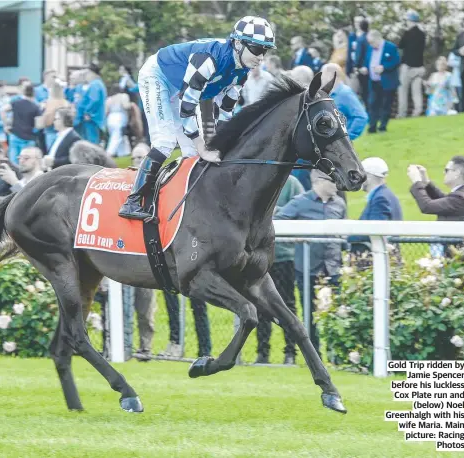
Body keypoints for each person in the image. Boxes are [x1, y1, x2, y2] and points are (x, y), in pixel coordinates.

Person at [119, 15, 276, 220]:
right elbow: (188, 107)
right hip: (157, 77)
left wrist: (219, 145)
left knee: (192, 152)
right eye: (257, 49)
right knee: (165, 141)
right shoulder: (208, 60)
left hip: (181, 87)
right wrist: (204, 146)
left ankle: (185, 201)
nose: (261, 57)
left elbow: (225, 114)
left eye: (265, 50)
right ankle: (132, 201)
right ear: (238, 44)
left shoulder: (242, 72)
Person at [275, 169, 347, 357]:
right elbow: (278, 222)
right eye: (334, 181)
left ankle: (337, 355)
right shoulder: (300, 203)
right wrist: (296, 240)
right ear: (319, 181)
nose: (337, 186)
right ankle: (314, 356)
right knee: (310, 314)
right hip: (307, 268)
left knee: (337, 311)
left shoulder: (339, 204)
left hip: (333, 268)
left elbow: (344, 232)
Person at [255, 175, 305, 365]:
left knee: (287, 305)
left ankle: (290, 352)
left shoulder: (291, 183)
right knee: (260, 305)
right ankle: (262, 353)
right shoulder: (258, 180)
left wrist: (277, 211)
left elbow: (302, 208)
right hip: (260, 257)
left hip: (284, 256)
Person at [348, 157, 403, 255]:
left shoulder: (380, 198)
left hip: (376, 261)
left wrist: (347, 234)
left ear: (368, 176)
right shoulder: (385, 195)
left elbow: (374, 231)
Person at [408, 156, 464, 222]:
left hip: (449, 235)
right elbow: (444, 200)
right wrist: (426, 182)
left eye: (446, 170)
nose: (443, 173)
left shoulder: (461, 198)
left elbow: (427, 206)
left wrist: (417, 182)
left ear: (457, 173)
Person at [362, 30, 400, 133]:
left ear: (378, 38)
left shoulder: (391, 47)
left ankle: (383, 126)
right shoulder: (370, 48)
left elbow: (396, 61)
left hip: (387, 81)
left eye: (372, 42)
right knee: (372, 103)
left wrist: (384, 67)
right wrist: (365, 68)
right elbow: (367, 61)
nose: (371, 44)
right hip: (373, 81)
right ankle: (372, 126)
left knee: (386, 104)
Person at [320, 63, 368, 141]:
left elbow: (361, 117)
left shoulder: (344, 93)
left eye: (322, 75)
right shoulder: (329, 93)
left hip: (340, 145)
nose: (321, 78)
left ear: (330, 76)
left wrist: (347, 137)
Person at [0, 84, 41, 164]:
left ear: (24, 92)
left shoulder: (16, 103)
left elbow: (2, 110)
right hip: (29, 138)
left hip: (15, 135)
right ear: (34, 93)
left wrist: (6, 125)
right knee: (27, 163)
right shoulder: (35, 107)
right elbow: (38, 125)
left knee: (13, 162)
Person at [397, 10, 426, 118]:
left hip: (408, 67)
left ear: (410, 20)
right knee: (416, 92)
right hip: (419, 67)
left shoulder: (408, 33)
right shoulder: (422, 34)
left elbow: (400, 46)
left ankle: (402, 113)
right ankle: (417, 112)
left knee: (402, 91)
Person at [75, 63, 107, 144]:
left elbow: (94, 100)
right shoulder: (98, 83)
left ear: (91, 73)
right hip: (93, 117)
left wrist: (87, 112)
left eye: (86, 74)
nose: (85, 76)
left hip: (91, 119)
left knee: (91, 142)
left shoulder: (95, 84)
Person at [38, 80, 69, 151]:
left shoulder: (47, 103)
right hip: (63, 130)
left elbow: (43, 117)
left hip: (50, 130)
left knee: (51, 151)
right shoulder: (66, 103)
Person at [105, 84, 132, 157]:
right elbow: (126, 106)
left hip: (110, 118)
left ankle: (123, 153)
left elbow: (106, 111)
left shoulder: (109, 99)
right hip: (120, 117)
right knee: (117, 136)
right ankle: (109, 153)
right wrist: (131, 105)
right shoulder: (123, 96)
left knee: (119, 135)